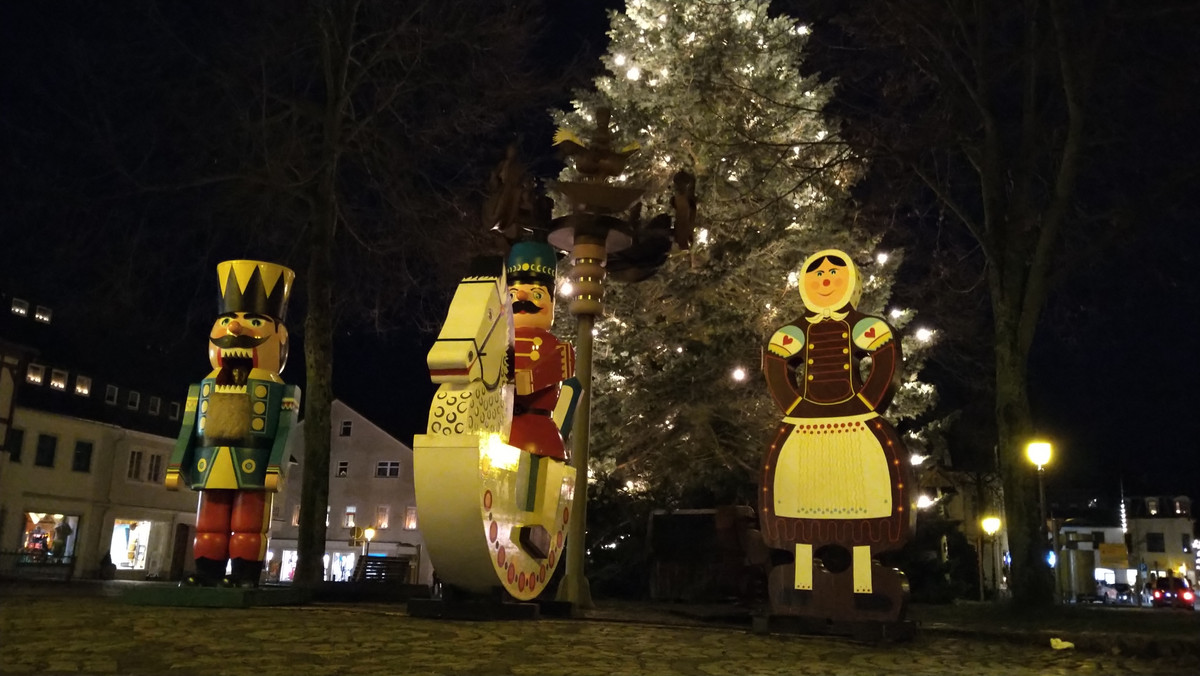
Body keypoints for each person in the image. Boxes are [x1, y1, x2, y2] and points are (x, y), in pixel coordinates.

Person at [760, 249, 912, 618]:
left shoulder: (865, 328)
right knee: (798, 501)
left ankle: (864, 586)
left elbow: (885, 359)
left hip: (855, 425)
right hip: (805, 427)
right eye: (818, 275)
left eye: (833, 274)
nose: (826, 281)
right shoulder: (793, 332)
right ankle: (800, 584)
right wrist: (794, 406)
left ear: (850, 283)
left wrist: (866, 401)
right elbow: (776, 364)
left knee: (865, 497)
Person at [166, 260, 301, 587]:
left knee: (248, 520)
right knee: (209, 519)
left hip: (252, 463)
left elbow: (284, 430)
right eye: (226, 321)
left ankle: (244, 572)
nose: (236, 329)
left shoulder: (280, 390)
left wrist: (276, 465)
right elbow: (189, 427)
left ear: (281, 336)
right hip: (210, 461)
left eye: (254, 321)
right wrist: (178, 462)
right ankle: (207, 570)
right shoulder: (204, 386)